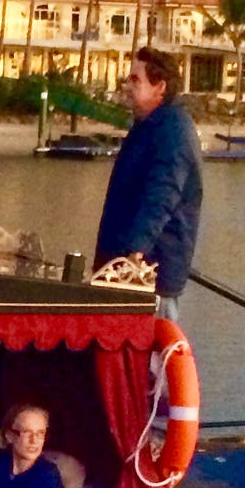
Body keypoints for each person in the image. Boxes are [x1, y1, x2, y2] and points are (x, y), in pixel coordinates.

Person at [94, 46, 203, 322]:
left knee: (149, 356)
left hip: (151, 273)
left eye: (135, 79)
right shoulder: (146, 127)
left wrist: (135, 253)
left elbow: (163, 197)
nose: (127, 86)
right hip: (122, 269)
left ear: (160, 87)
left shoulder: (172, 131)